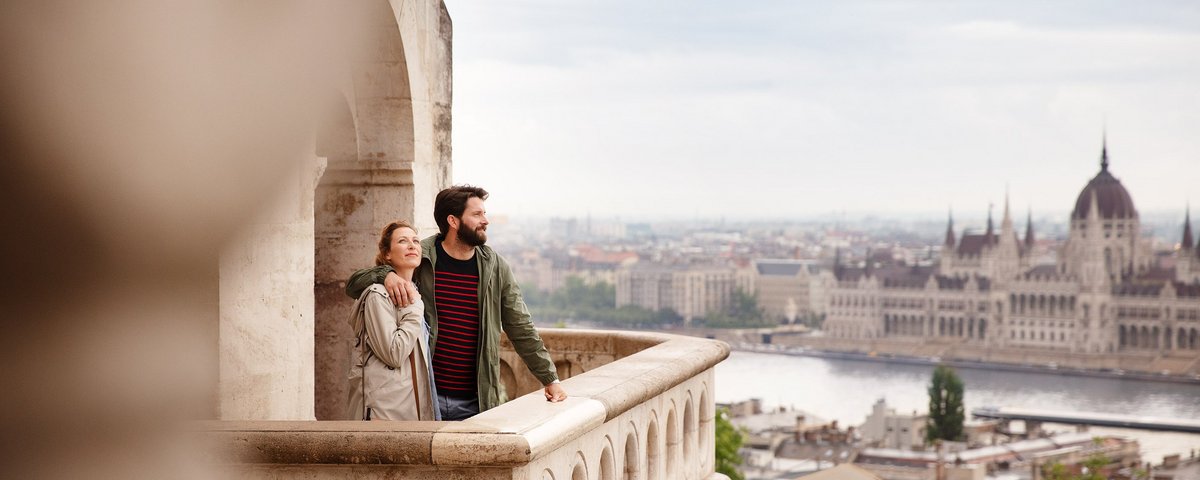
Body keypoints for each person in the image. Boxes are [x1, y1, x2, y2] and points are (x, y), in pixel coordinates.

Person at [346, 185, 566, 420]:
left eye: (484, 213)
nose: (486, 220)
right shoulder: (422, 256)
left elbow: (520, 326)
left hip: (477, 400)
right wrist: (384, 274)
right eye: (477, 214)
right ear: (453, 220)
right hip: (426, 397)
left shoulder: (495, 267)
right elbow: (353, 285)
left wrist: (549, 378)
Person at [345, 221, 439, 421]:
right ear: (387, 254)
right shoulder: (378, 295)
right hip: (385, 411)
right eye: (403, 241)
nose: (412, 245)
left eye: (415, 241)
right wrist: (414, 306)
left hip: (411, 407)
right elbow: (394, 353)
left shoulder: (416, 290)